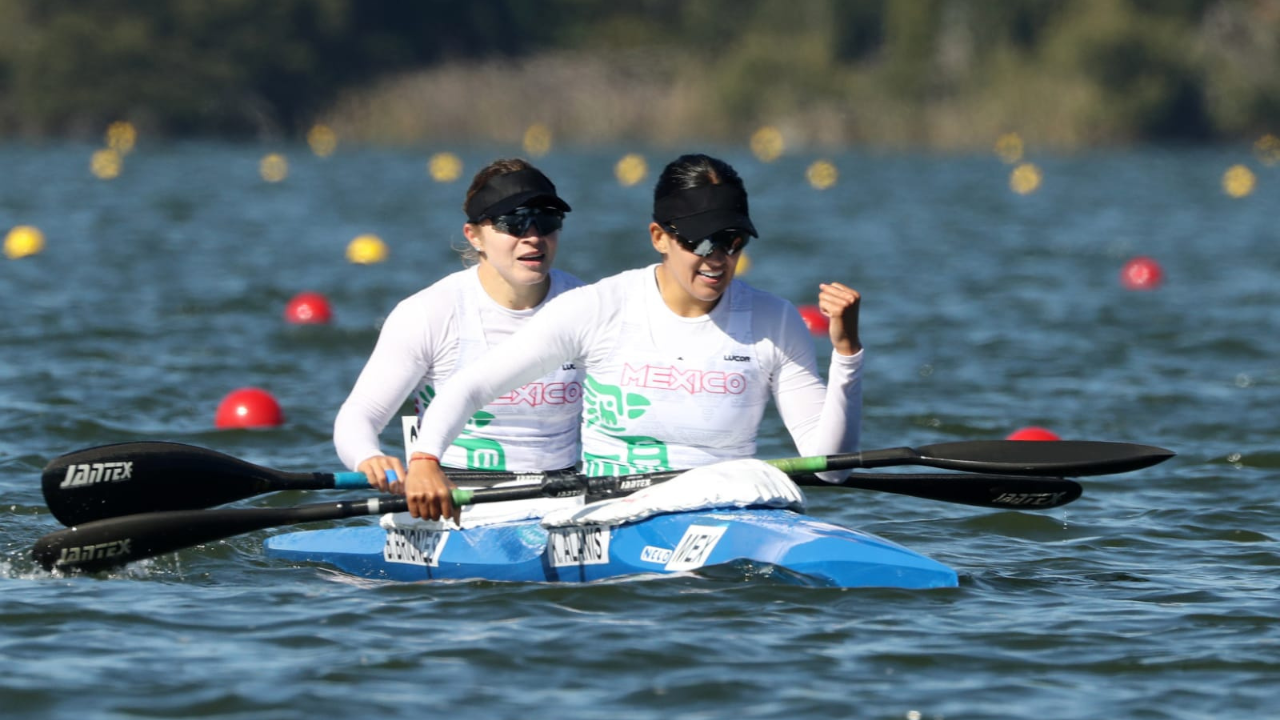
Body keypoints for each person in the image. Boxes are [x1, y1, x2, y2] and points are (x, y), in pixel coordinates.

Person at [403, 153, 863, 521]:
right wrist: (425, 461)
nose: (718, 258)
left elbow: (831, 467)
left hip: (730, 506)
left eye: (732, 241)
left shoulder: (774, 320)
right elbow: (469, 387)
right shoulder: (600, 307)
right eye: (701, 242)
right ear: (659, 237)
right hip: (614, 514)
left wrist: (846, 352)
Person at [333, 158, 584, 490]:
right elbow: (360, 415)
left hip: (565, 496)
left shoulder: (586, 306)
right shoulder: (429, 313)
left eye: (547, 220)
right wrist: (368, 457)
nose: (534, 237)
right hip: (456, 498)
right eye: (515, 223)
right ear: (474, 236)